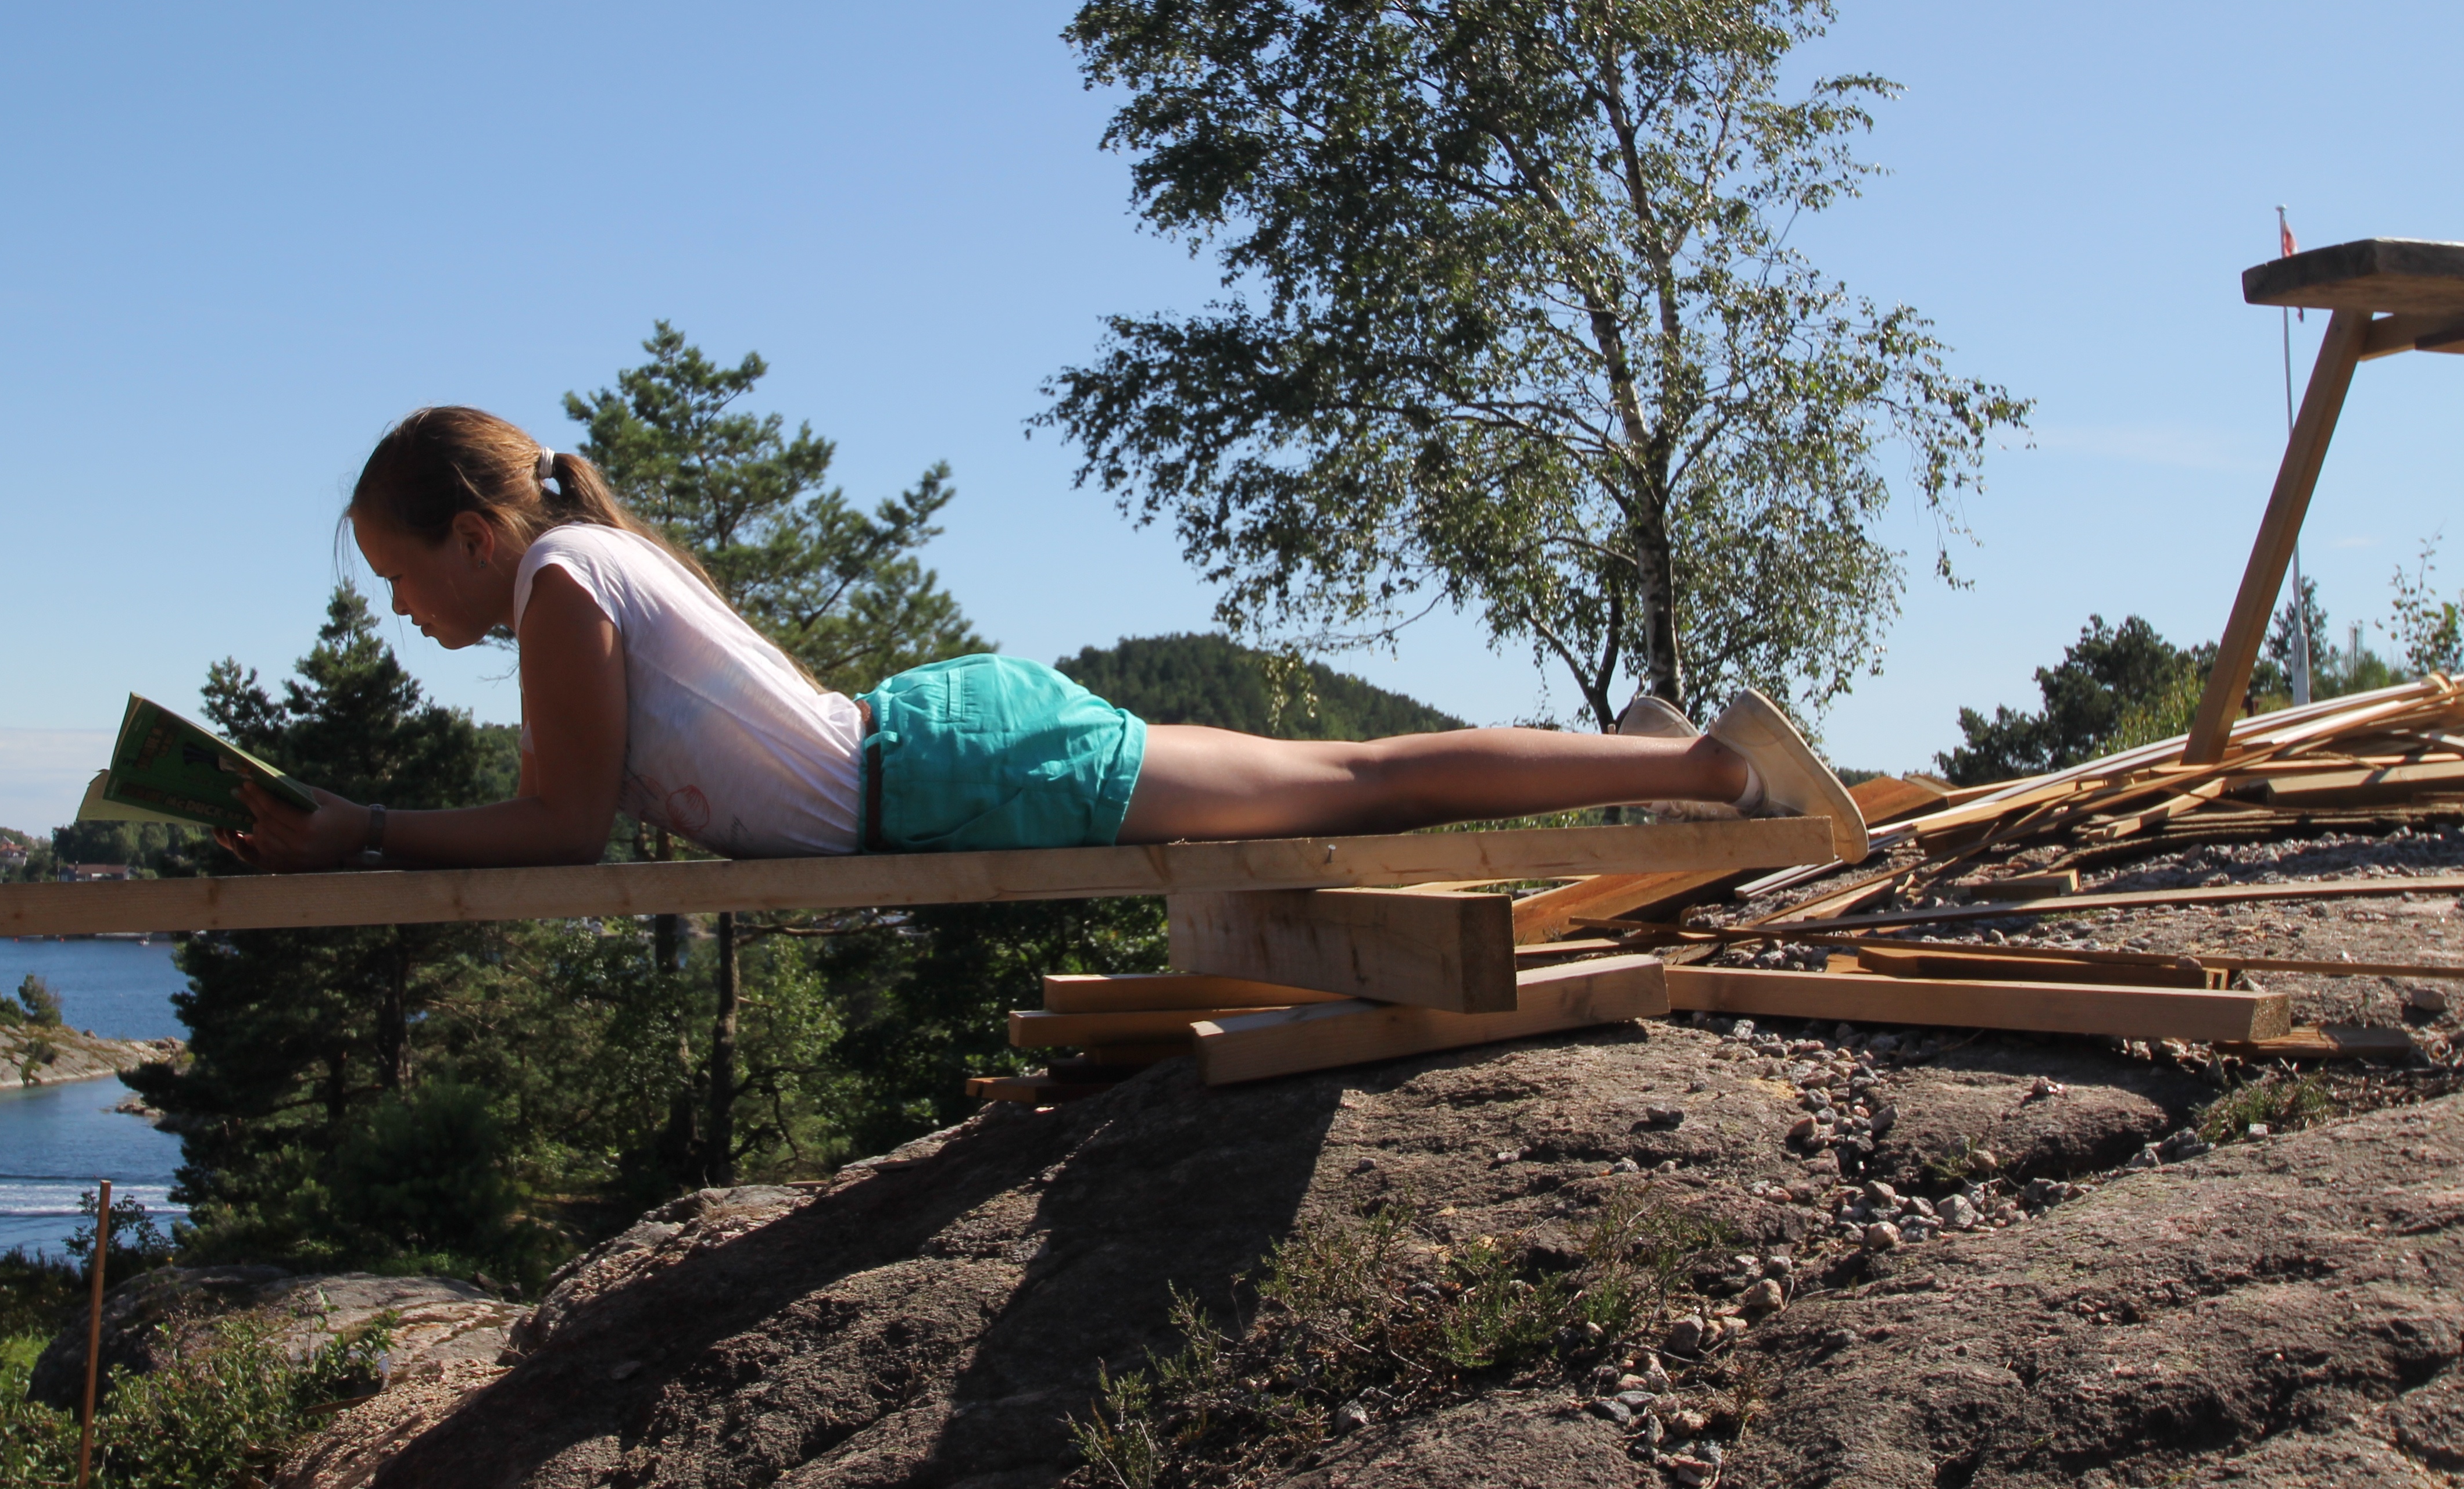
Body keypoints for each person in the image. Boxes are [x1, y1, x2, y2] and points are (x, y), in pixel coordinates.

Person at [219, 407, 1866, 873]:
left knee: (1360, 785)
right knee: (1348, 774)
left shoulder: (563, 585)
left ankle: (1710, 771)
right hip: (948, 757)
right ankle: (1654, 753)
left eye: (398, 576)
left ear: (476, 536)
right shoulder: (580, 570)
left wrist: (363, 828)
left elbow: (559, 826)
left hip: (957, 776)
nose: (402, 613)